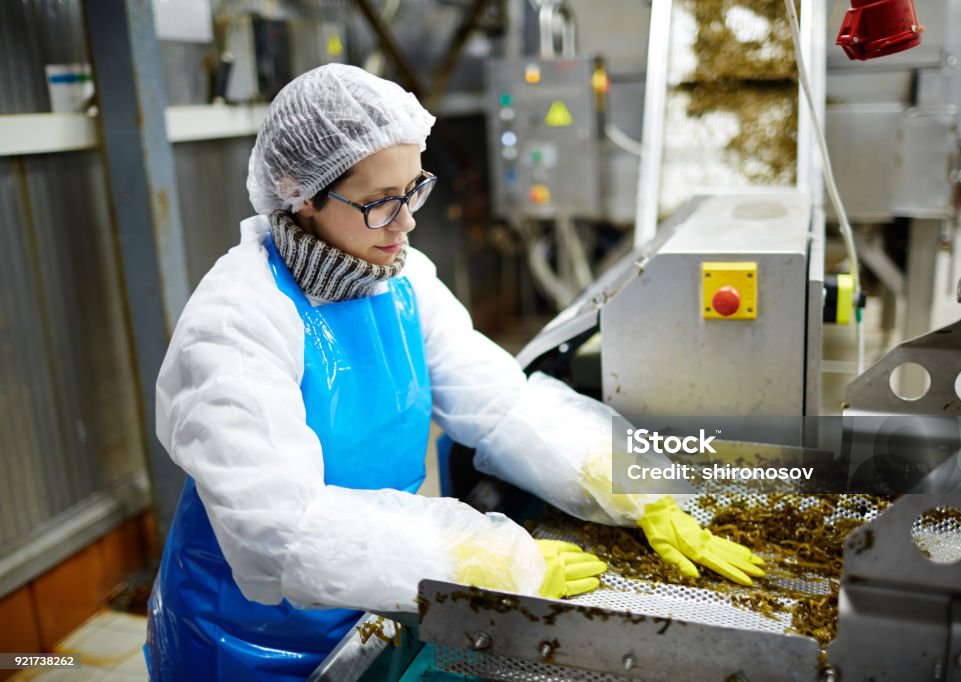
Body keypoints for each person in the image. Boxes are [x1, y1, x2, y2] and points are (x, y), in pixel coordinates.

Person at [145, 64, 764, 681]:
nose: (407, 222)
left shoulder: (401, 281)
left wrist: (632, 487)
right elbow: (279, 530)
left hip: (371, 590)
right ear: (299, 193)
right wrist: (480, 563)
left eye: (414, 190)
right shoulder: (236, 322)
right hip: (247, 642)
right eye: (379, 204)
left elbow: (501, 405)